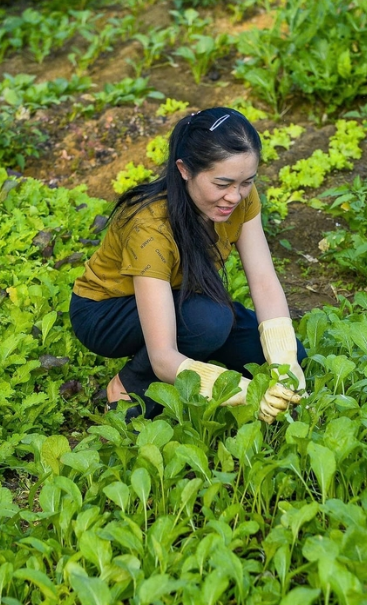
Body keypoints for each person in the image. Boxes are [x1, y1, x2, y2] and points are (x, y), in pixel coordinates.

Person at [69, 106, 307, 422]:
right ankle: (128, 388)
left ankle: (203, 348)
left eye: (246, 182)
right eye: (222, 184)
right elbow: (164, 358)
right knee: (208, 322)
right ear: (184, 169)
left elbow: (262, 279)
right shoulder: (150, 227)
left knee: (296, 361)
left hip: (183, 295)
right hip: (107, 312)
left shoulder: (239, 197)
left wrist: (284, 359)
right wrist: (244, 393)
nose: (235, 197)